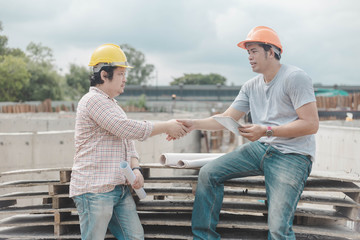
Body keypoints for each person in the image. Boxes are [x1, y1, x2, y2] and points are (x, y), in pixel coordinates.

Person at [178, 26, 319, 240]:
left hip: (293, 155)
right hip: (261, 149)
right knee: (208, 173)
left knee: (278, 228)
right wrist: (193, 124)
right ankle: (204, 237)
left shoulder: (295, 78)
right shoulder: (250, 86)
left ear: (271, 51)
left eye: (253, 51)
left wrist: (266, 130)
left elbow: (311, 124)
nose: (249, 57)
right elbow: (227, 118)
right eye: (248, 53)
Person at [69, 43, 188, 240]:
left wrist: (135, 169)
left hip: (119, 189)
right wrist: (166, 126)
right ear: (104, 75)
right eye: (121, 74)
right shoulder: (93, 101)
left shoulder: (113, 105)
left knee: (134, 237)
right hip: (95, 190)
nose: (125, 79)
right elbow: (126, 129)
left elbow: (128, 143)